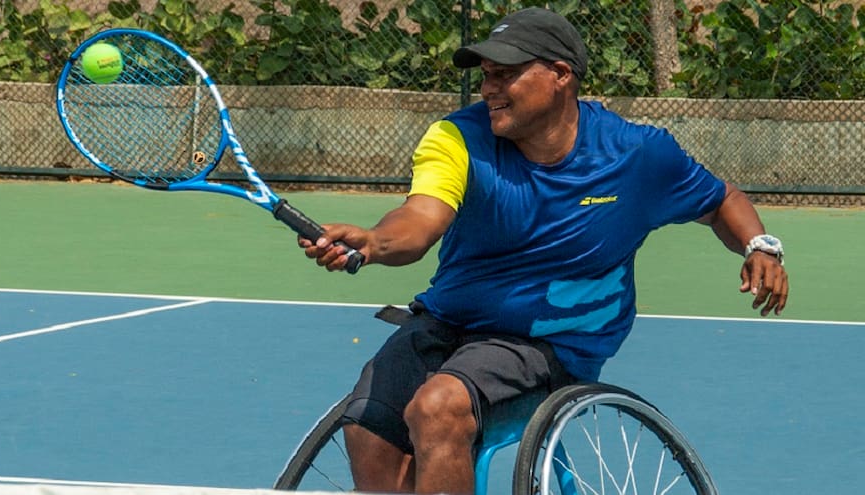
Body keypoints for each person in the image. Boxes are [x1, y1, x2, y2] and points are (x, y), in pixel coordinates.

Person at [297, 7, 789, 494]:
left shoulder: (635, 154)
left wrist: (760, 246)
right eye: (486, 75)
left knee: (438, 407)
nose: (488, 88)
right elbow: (421, 219)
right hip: (450, 319)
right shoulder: (457, 139)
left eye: (505, 74)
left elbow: (720, 200)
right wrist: (374, 241)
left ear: (560, 75)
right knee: (367, 427)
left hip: (553, 339)